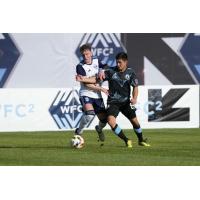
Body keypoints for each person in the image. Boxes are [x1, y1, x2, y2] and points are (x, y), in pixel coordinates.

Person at [76, 52, 150, 148]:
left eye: (120, 62)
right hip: (113, 102)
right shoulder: (110, 71)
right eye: (117, 62)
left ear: (125, 62)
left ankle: (141, 140)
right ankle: (126, 140)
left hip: (126, 102)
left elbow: (135, 87)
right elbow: (95, 80)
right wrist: (83, 79)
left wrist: (134, 98)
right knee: (110, 121)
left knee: (135, 121)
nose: (118, 64)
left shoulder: (131, 72)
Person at [75, 43, 108, 142]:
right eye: (83, 55)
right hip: (86, 93)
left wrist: (102, 70)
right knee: (89, 114)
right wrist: (102, 89)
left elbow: (106, 67)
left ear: (91, 53)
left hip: (97, 95)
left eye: (87, 54)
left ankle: (99, 129)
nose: (86, 56)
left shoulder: (97, 60)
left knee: (104, 120)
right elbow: (86, 84)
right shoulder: (80, 66)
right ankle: (79, 131)